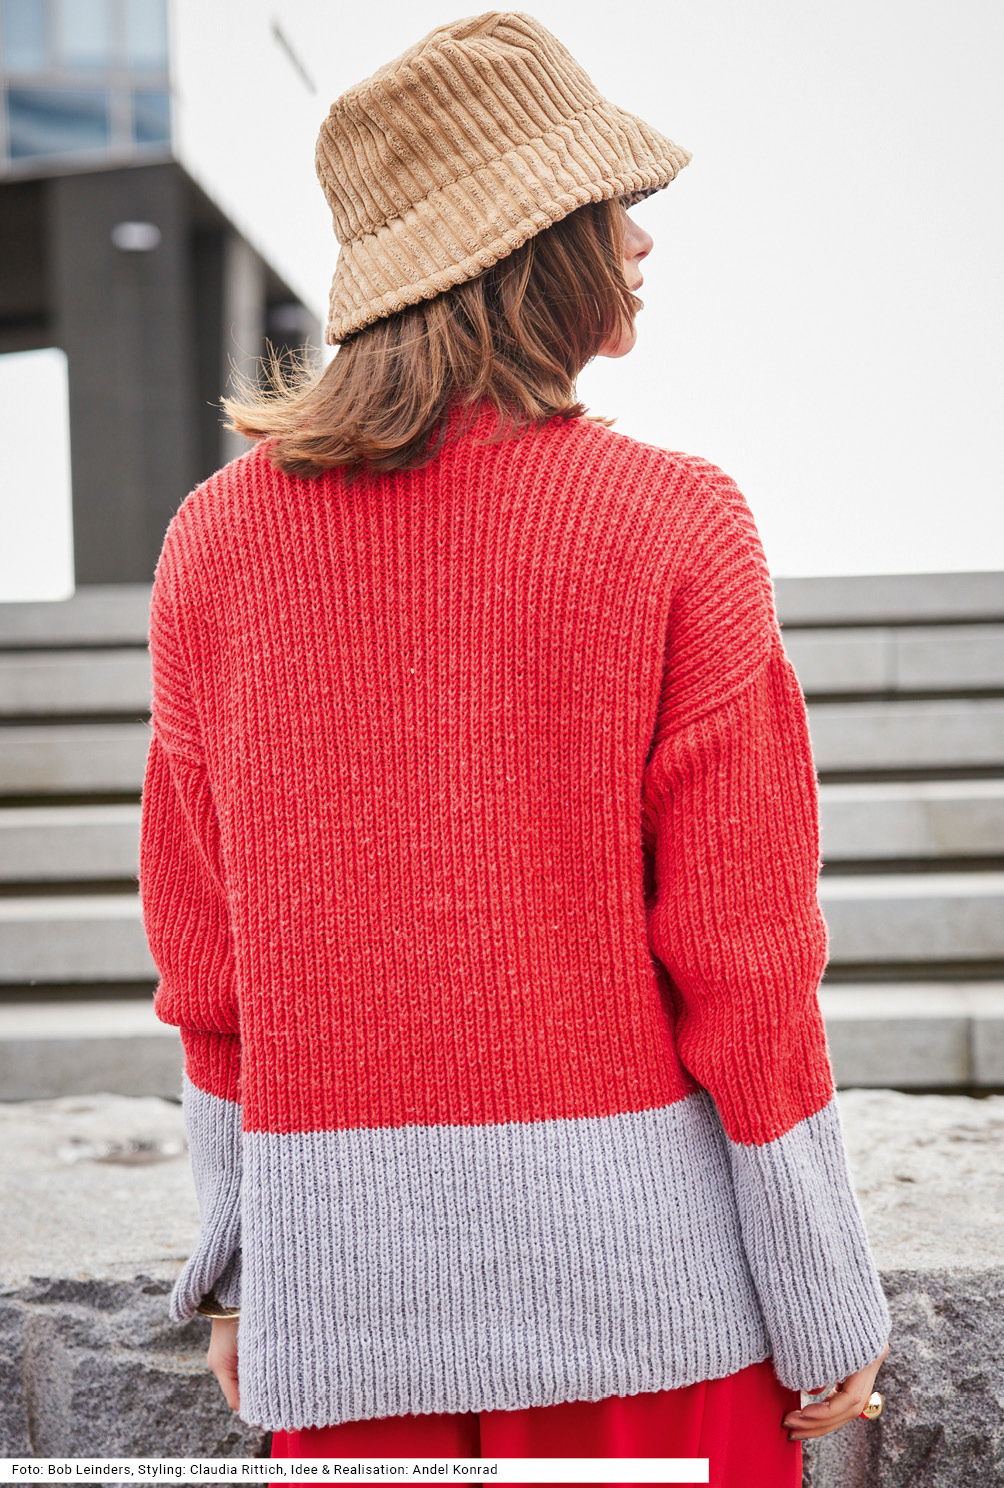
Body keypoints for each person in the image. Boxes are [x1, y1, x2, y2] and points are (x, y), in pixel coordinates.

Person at [137, 11, 891, 1487]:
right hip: (651, 1328)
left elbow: (204, 957)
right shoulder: (676, 521)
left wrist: (240, 1270)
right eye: (614, 209)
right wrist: (823, 1298)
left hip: (349, 1325)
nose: (642, 243)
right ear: (532, 243)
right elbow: (745, 957)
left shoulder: (213, 542)